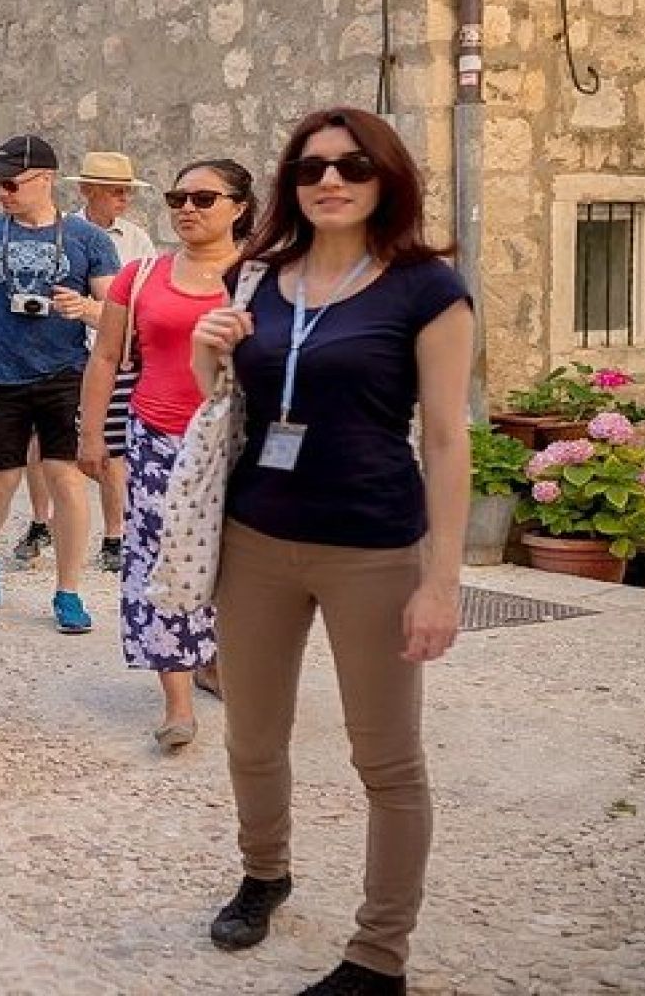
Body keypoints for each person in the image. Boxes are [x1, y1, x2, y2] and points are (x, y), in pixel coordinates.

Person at [189, 108, 471, 995]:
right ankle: (264, 871)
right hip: (256, 539)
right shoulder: (258, 276)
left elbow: (449, 440)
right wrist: (206, 352)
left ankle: (379, 953)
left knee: (386, 761)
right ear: (290, 185)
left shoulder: (428, 288)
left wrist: (441, 582)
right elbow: (224, 403)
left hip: (373, 550)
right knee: (251, 735)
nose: (331, 182)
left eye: (353, 165)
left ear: (387, 176)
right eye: (311, 170)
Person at [77, 158, 256, 752]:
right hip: (156, 437)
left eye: (205, 198)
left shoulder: (265, 274)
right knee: (162, 563)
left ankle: (217, 662)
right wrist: (92, 434)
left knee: (242, 565)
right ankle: (177, 702)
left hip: (240, 443)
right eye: (179, 197)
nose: (187, 208)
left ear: (239, 206)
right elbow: (105, 358)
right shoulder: (143, 274)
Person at [0, 134, 120, 633]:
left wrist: (85, 309)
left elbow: (116, 316)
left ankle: (68, 591)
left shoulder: (89, 241)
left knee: (67, 478)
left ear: (46, 179)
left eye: (11, 183)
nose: (1, 192)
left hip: (66, 374)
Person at [66, 151, 158, 572]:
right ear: (89, 191)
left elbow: (146, 296)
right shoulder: (62, 233)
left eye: (127, 192)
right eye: (116, 192)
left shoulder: (136, 238)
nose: (124, 200)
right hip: (69, 352)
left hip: (119, 353)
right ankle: (41, 521)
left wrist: (91, 310)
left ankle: (115, 533)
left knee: (114, 446)